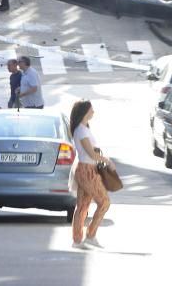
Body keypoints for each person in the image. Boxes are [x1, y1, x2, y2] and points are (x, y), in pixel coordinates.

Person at [70, 99, 111, 250]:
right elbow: (90, 153)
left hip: (87, 168)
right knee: (104, 202)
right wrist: (107, 161)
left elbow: (91, 151)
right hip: (86, 170)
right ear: (84, 112)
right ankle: (90, 235)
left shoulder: (84, 127)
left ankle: (78, 239)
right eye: (91, 110)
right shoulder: (81, 130)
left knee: (83, 205)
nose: (93, 112)